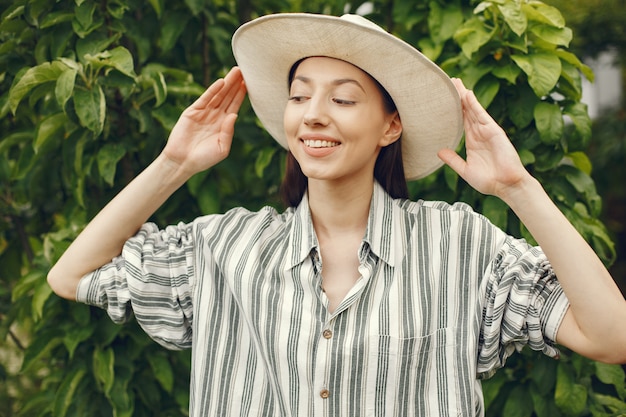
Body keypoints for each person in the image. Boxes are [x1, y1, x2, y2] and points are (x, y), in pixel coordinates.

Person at [47, 13, 626, 417]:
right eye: (299, 96)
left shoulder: (458, 244)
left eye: (343, 99)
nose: (314, 115)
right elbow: (72, 276)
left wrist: (520, 189)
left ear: (390, 126)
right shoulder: (225, 247)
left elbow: (611, 335)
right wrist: (173, 164)